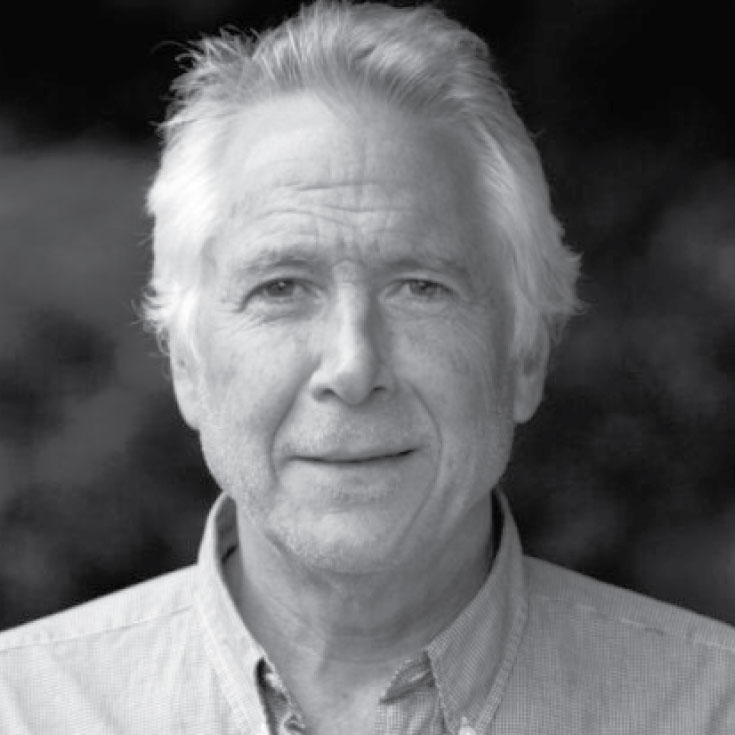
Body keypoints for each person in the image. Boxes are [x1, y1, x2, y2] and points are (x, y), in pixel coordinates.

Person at [1, 2, 734, 733]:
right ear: (187, 363)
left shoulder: (708, 706)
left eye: (420, 287)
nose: (352, 367)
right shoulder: (26, 707)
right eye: (281, 287)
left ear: (524, 354)